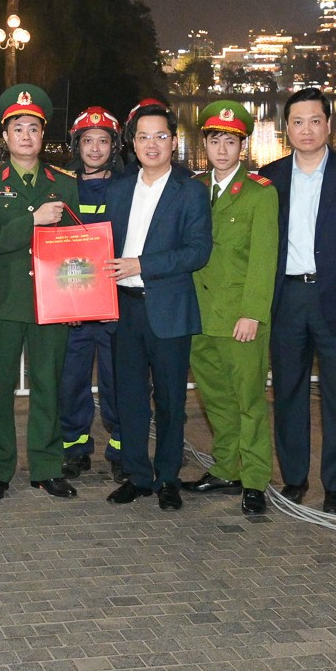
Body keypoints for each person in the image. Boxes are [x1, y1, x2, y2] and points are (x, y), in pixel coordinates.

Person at [260, 88, 336, 514]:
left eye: (314, 120)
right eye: (297, 122)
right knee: (287, 391)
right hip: (286, 297)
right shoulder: (269, 177)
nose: (306, 129)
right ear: (286, 128)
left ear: (328, 124)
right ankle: (294, 478)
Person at [104, 102, 211, 510]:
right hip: (124, 308)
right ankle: (137, 475)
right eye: (144, 136)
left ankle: (168, 477)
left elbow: (197, 252)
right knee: (129, 398)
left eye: (161, 136)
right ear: (132, 142)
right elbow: (104, 246)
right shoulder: (117, 188)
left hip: (168, 309)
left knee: (170, 400)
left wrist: (142, 265)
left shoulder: (191, 191)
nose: (152, 144)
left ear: (174, 141)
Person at [0, 84, 80, 501]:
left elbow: (77, 248)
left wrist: (78, 298)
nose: (26, 136)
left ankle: (47, 466)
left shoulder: (65, 183)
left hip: (52, 301)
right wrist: (33, 220)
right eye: (18, 128)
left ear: (43, 136)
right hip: (2, 300)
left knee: (47, 385)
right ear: (5, 137)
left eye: (33, 129)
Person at [179, 102, 278, 515]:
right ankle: (225, 467)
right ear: (205, 144)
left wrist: (252, 313)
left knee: (249, 401)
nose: (222, 149)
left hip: (240, 317)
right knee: (215, 398)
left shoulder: (260, 193)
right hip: (198, 314)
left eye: (231, 141)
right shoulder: (193, 188)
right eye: (215, 139)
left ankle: (254, 479)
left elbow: (263, 259)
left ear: (243, 145)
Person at [59, 105, 124, 479]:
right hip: (73, 303)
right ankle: (74, 446)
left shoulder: (129, 185)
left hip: (116, 302)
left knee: (118, 380)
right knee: (71, 381)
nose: (95, 148)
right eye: (88, 141)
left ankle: (120, 448)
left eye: (103, 141)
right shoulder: (64, 186)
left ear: (114, 146)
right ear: (77, 145)